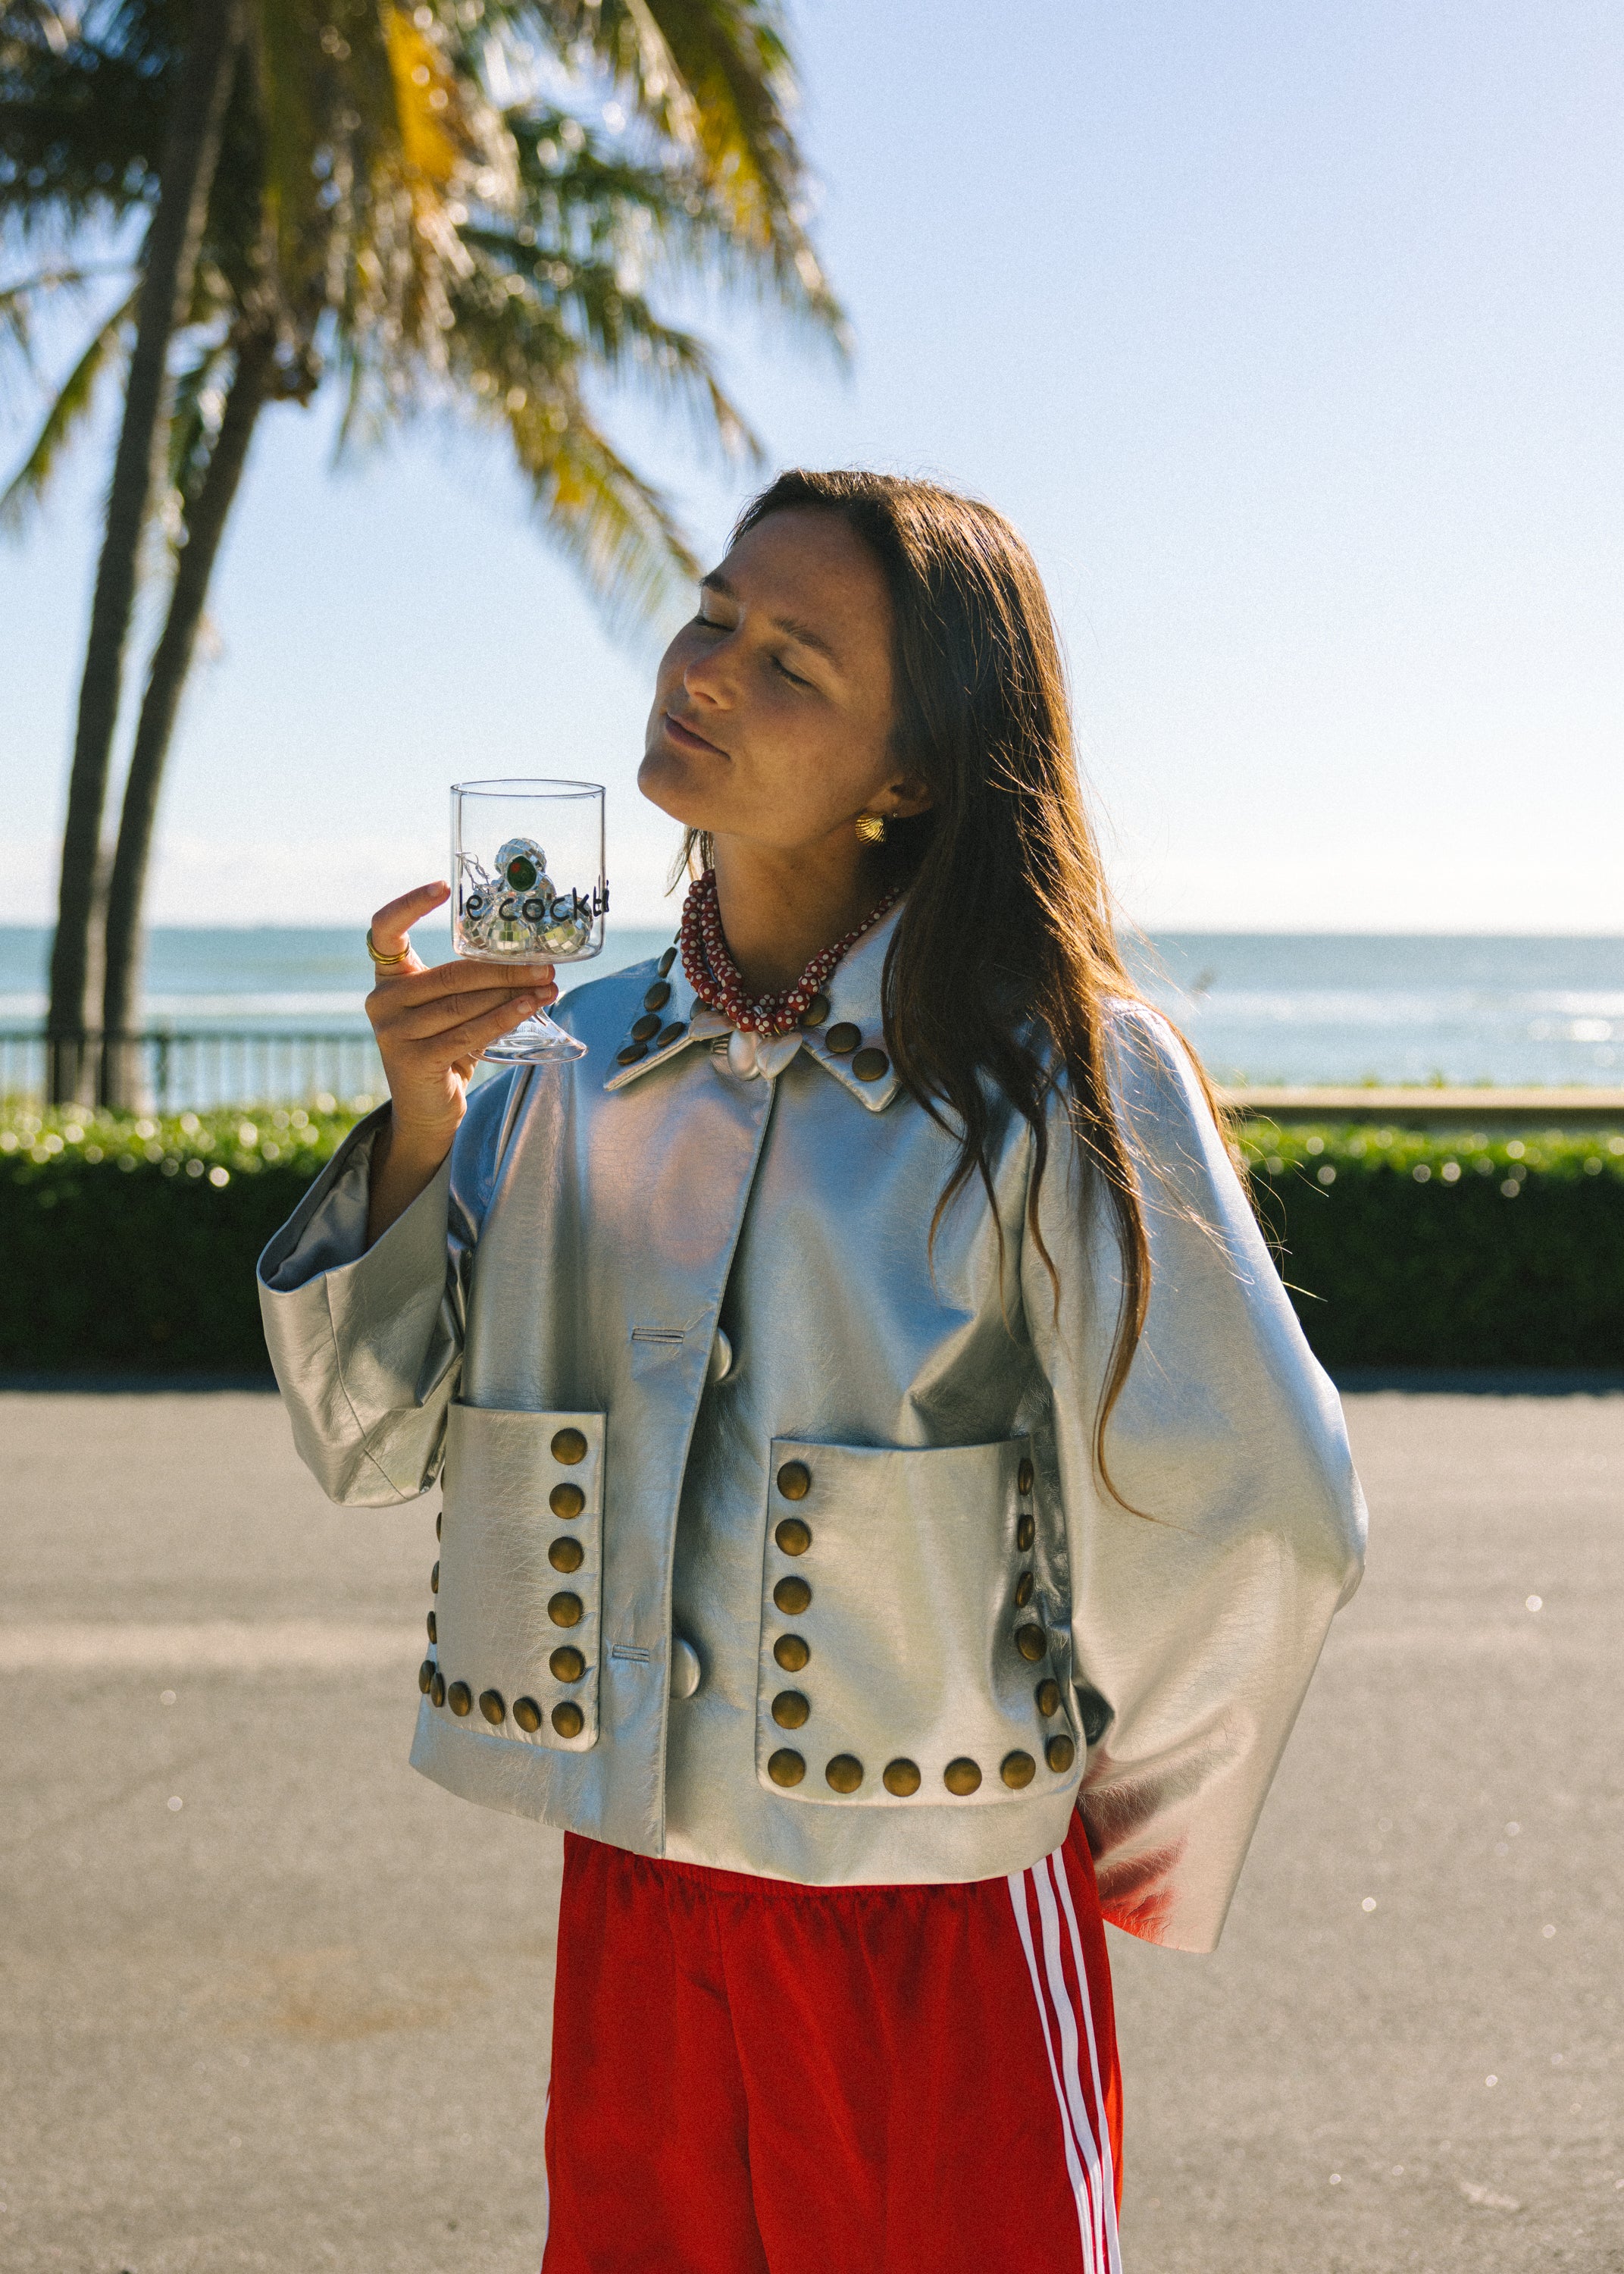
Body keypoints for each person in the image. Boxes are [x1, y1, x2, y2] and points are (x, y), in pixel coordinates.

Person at [258, 468, 1366, 2273]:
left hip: (930, 1916)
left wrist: (1087, 1827)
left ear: (910, 771)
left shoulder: (1058, 1074)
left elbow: (1262, 1508)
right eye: (710, 616)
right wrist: (415, 1126)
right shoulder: (558, 1062)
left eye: (790, 661)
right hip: (636, 1899)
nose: (707, 670)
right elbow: (366, 1439)